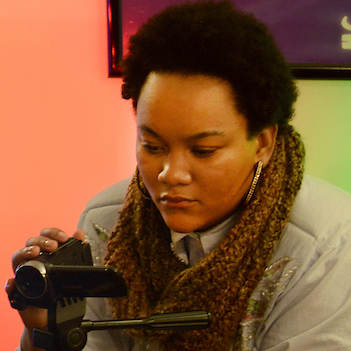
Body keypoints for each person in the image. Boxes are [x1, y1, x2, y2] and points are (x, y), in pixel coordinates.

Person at [6, 1, 351, 350]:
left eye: (203, 151)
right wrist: (48, 332)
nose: (171, 174)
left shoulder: (327, 245)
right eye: (152, 146)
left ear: (262, 142)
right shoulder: (105, 222)